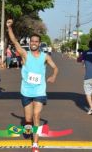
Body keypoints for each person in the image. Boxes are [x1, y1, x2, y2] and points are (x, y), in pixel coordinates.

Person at [6, 19, 58, 152]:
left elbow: (55, 67)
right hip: (26, 92)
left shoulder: (45, 56)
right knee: (28, 119)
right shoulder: (25, 54)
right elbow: (15, 41)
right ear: (29, 43)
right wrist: (9, 28)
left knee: (36, 116)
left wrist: (54, 75)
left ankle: (35, 143)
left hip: (40, 91)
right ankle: (28, 127)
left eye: (36, 41)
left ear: (39, 44)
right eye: (32, 41)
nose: (34, 43)